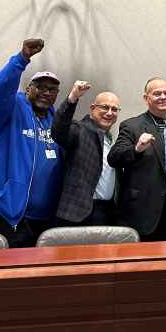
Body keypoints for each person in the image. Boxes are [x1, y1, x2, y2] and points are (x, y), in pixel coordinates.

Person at [0, 38, 63, 248]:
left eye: (52, 90)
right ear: (28, 88)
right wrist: (21, 59)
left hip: (44, 220)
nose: (46, 92)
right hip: (8, 215)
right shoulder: (12, 108)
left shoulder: (56, 122)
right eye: (41, 87)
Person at [108, 77, 166, 240]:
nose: (163, 97)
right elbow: (114, 158)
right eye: (157, 93)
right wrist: (137, 149)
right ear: (146, 98)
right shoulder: (132, 126)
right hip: (147, 209)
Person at [51, 80, 122, 226]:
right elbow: (58, 129)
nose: (110, 113)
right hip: (78, 214)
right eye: (105, 107)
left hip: (107, 212)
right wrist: (73, 98)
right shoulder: (79, 129)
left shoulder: (111, 140)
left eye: (114, 109)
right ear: (92, 109)